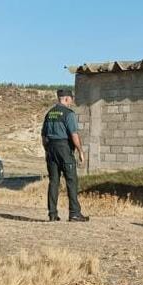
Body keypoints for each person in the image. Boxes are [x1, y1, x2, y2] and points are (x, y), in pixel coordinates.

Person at [41, 88, 89, 222]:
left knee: (53, 182)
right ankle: (74, 213)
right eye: (71, 99)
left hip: (51, 149)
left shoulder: (49, 114)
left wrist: (47, 150)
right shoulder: (69, 114)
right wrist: (80, 151)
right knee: (71, 181)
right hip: (64, 149)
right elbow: (74, 134)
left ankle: (52, 214)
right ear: (67, 98)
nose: (71, 102)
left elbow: (44, 136)